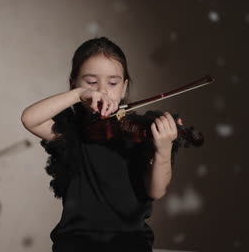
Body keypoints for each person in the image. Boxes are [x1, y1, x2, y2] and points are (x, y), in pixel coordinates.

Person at [21, 37, 183, 252]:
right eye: (91, 82)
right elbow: (30, 119)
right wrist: (79, 95)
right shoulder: (71, 132)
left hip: (130, 243)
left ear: (124, 88)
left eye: (113, 83)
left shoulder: (139, 133)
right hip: (76, 244)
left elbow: (156, 191)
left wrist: (163, 149)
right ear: (73, 84)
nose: (103, 90)